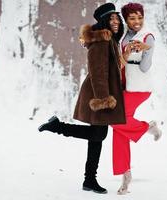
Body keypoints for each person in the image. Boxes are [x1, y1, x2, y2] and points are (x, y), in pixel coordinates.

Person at [38, 3, 126, 194]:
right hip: (99, 93)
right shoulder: (101, 41)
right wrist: (103, 98)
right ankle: (57, 127)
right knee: (99, 135)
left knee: (97, 138)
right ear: (103, 21)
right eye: (111, 18)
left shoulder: (110, 40)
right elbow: (97, 72)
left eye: (117, 17)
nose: (116, 21)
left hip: (103, 92)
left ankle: (89, 181)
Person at [111, 3, 162, 195]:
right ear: (126, 19)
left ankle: (147, 127)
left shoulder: (148, 37)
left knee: (116, 119)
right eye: (132, 18)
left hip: (140, 87)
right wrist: (126, 53)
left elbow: (145, 67)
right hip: (125, 86)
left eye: (139, 17)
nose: (137, 21)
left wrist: (147, 49)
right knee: (119, 130)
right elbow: (121, 61)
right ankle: (125, 173)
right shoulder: (126, 35)